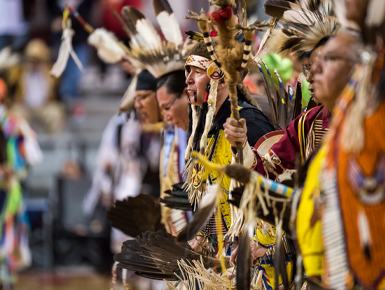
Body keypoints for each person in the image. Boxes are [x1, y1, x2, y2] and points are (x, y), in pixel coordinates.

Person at [297, 0, 385, 288]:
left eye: (330, 59)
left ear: (357, 67)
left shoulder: (372, 124)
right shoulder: (327, 133)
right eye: (314, 60)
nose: (314, 70)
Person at [9, 39, 65, 134]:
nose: (35, 63)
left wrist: (46, 76)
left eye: (38, 60)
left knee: (56, 113)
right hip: (25, 107)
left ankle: (52, 142)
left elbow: (55, 93)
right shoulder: (19, 71)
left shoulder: (50, 72)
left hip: (44, 107)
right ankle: (20, 143)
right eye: (32, 59)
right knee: (15, 114)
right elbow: (12, 88)